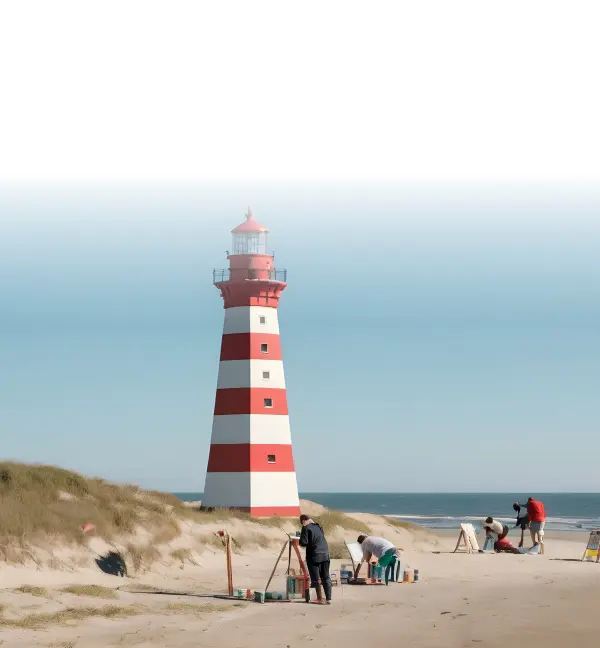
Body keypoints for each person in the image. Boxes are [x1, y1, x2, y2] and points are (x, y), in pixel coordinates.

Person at [299, 514, 332, 604]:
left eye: (302, 523)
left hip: (314, 555)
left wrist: (300, 539)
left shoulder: (305, 528)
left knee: (315, 579)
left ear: (303, 521)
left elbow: (303, 543)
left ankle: (317, 598)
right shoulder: (318, 526)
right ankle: (328, 599)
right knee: (326, 577)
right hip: (325, 554)